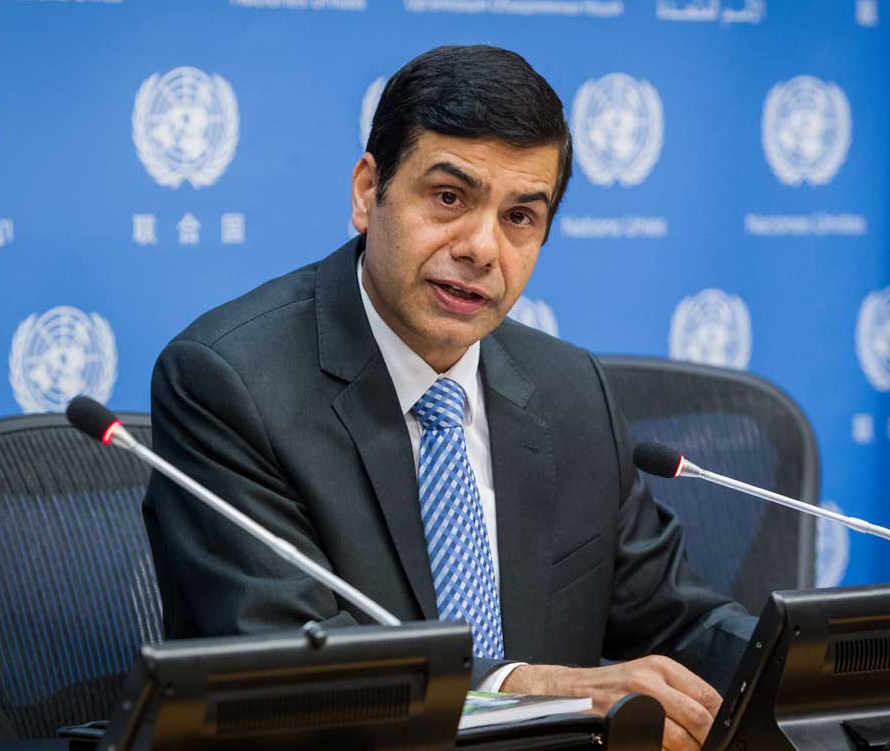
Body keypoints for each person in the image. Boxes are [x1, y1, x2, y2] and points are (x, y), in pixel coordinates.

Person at [143, 44, 753, 751]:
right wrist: (529, 688)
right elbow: (291, 668)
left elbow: (675, 621)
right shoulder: (229, 383)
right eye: (448, 198)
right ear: (367, 192)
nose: (482, 248)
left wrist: (799, 662)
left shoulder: (571, 390)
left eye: (519, 217)